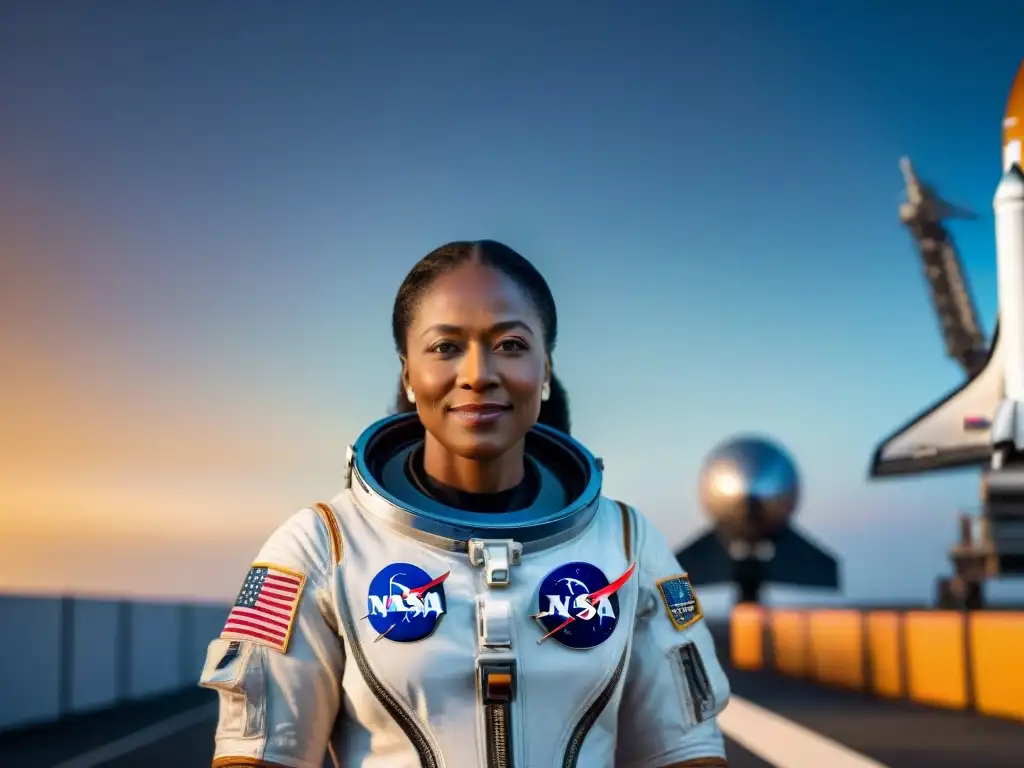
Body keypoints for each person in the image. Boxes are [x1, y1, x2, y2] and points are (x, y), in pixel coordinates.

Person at [199, 240, 732, 768]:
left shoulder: (625, 544)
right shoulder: (321, 547)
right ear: (408, 373)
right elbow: (263, 755)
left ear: (545, 370)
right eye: (445, 347)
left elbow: (684, 752)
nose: (478, 373)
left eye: (511, 345)